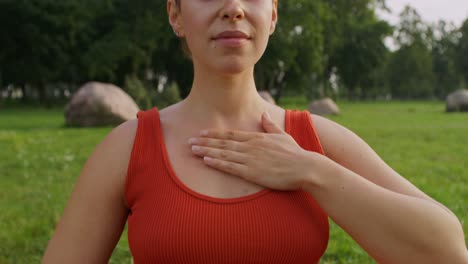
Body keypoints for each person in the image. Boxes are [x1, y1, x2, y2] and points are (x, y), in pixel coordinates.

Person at [43, 0, 468, 263]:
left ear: (274, 14)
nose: (233, 7)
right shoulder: (127, 148)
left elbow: (447, 251)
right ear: (175, 13)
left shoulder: (315, 138)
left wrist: (310, 171)